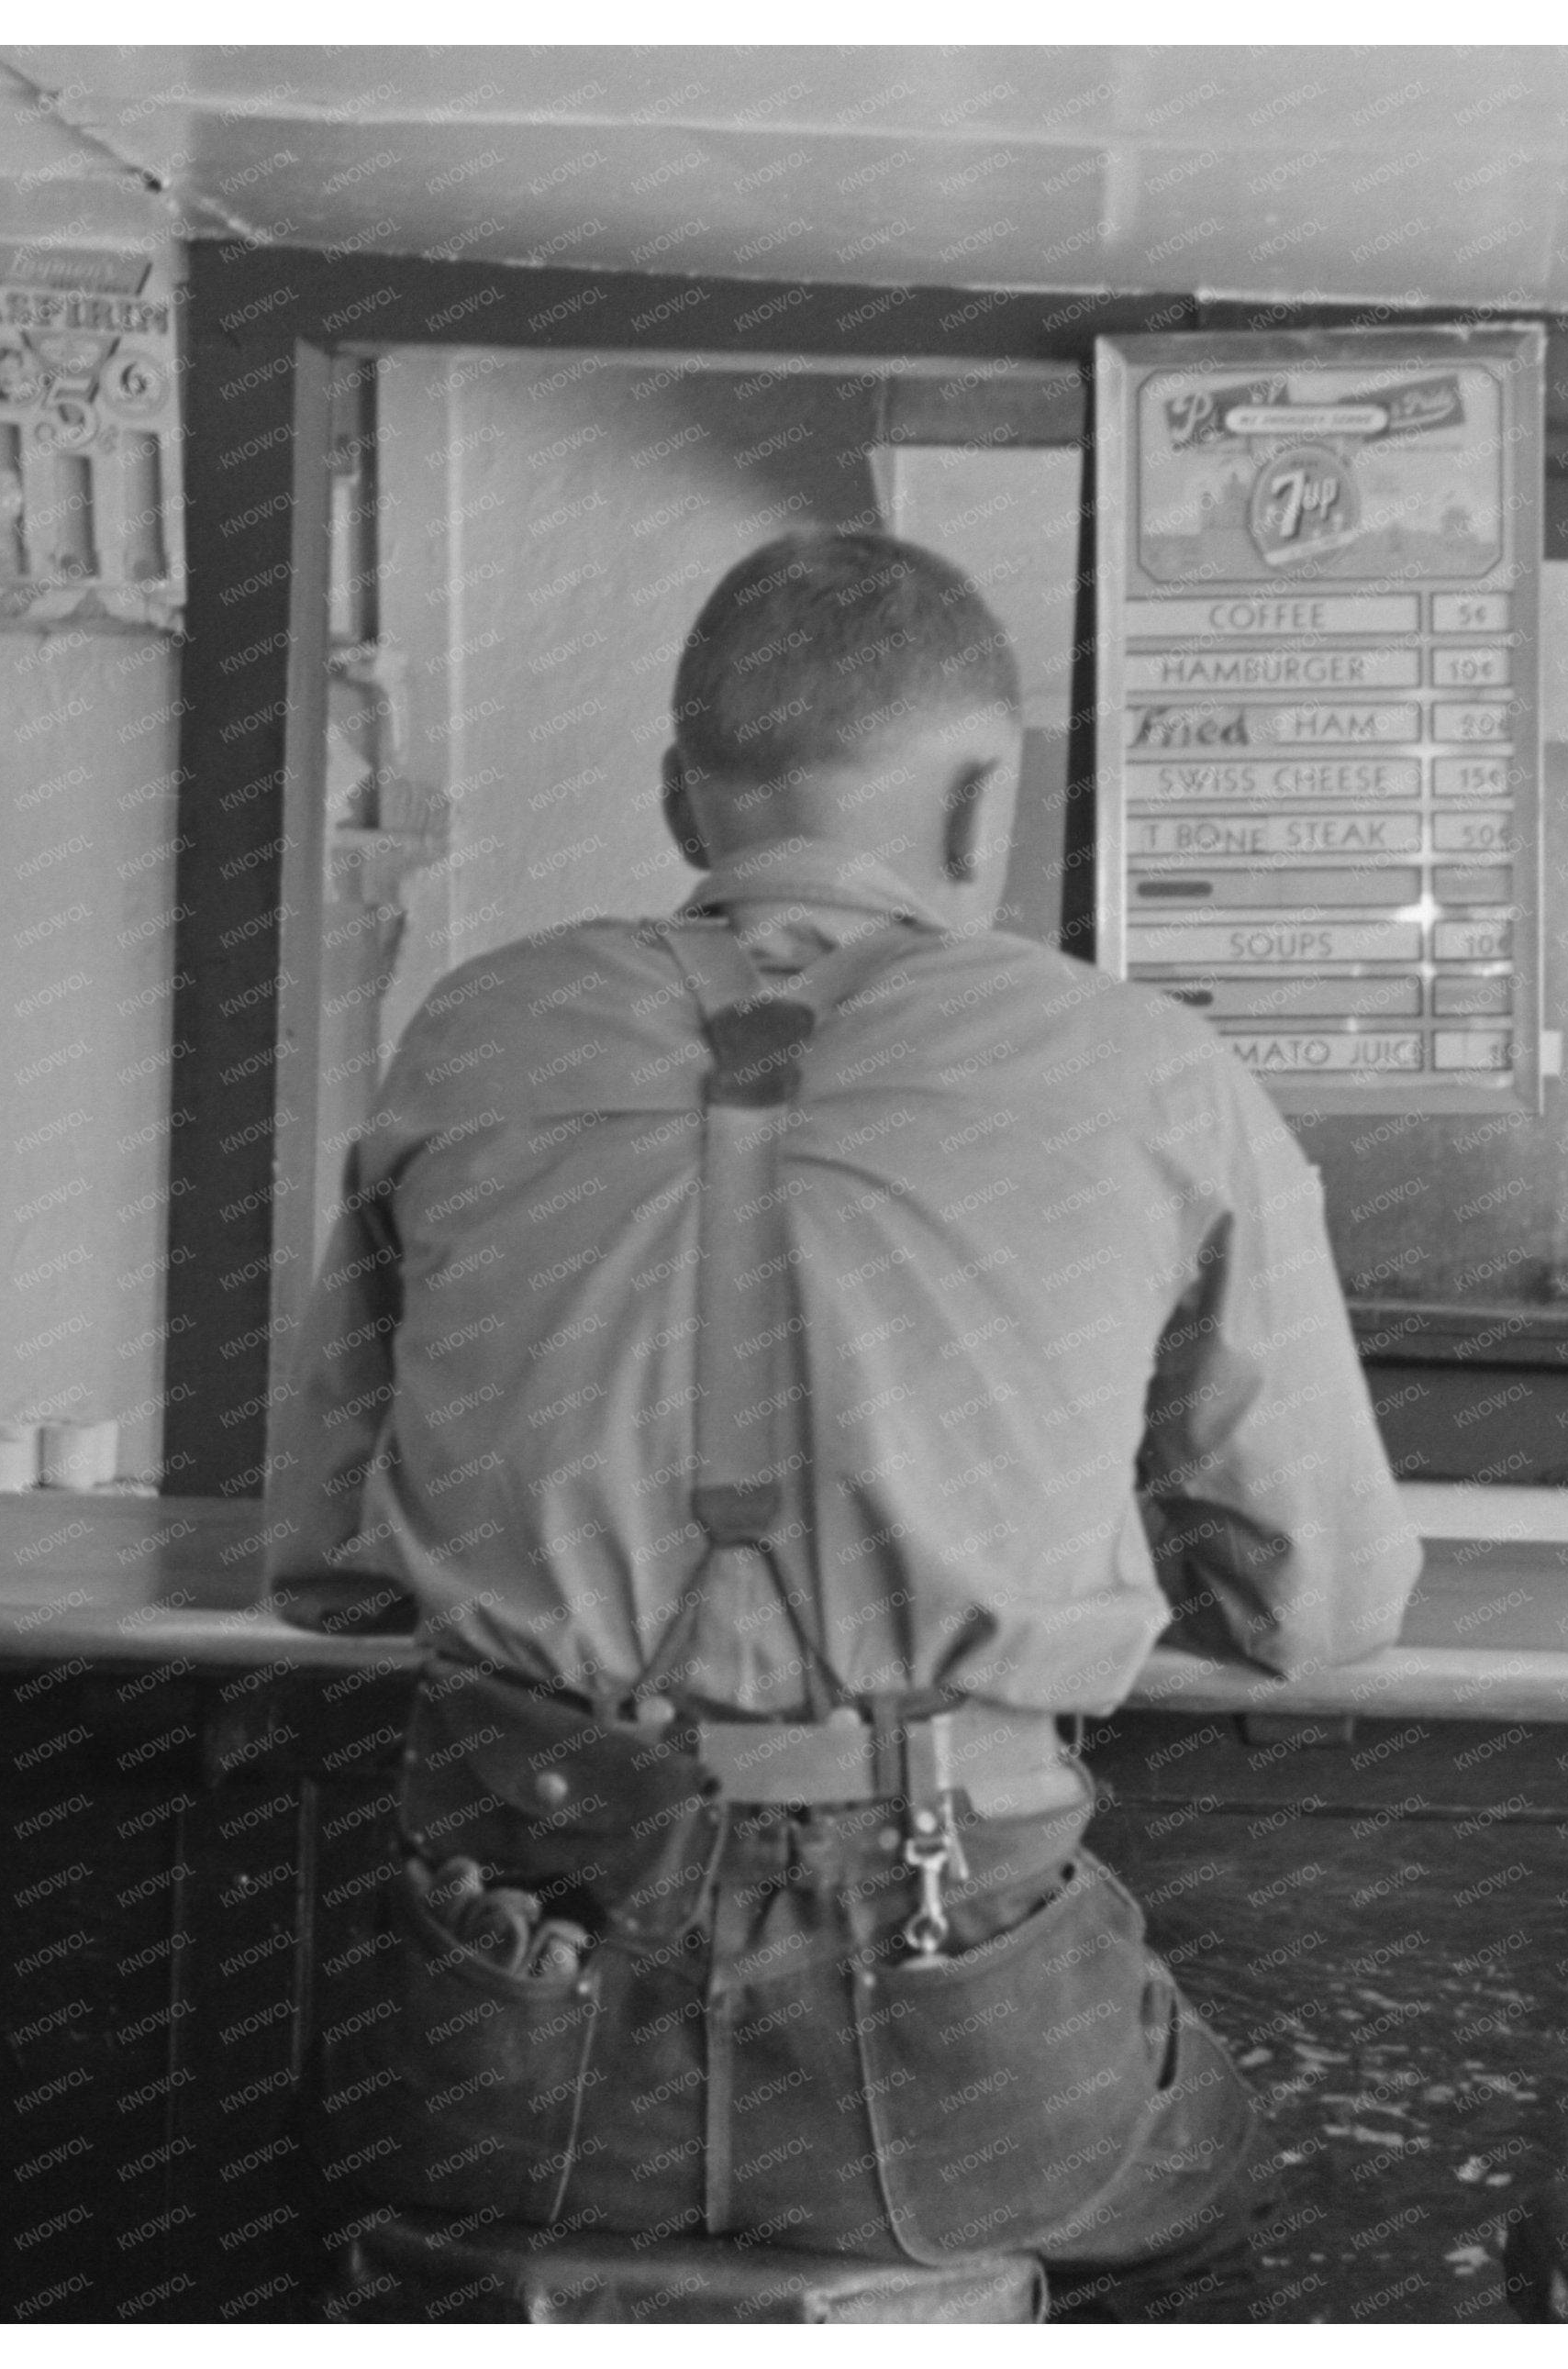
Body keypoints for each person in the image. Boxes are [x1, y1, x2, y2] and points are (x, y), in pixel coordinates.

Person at [282, 529, 1421, 2301]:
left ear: (683, 798)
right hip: (959, 1972)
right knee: (1223, 2206)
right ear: (983, 809)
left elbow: (319, 1561)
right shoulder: (1150, 1074)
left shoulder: (472, 1031)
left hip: (511, 1996)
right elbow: (1327, 1608)